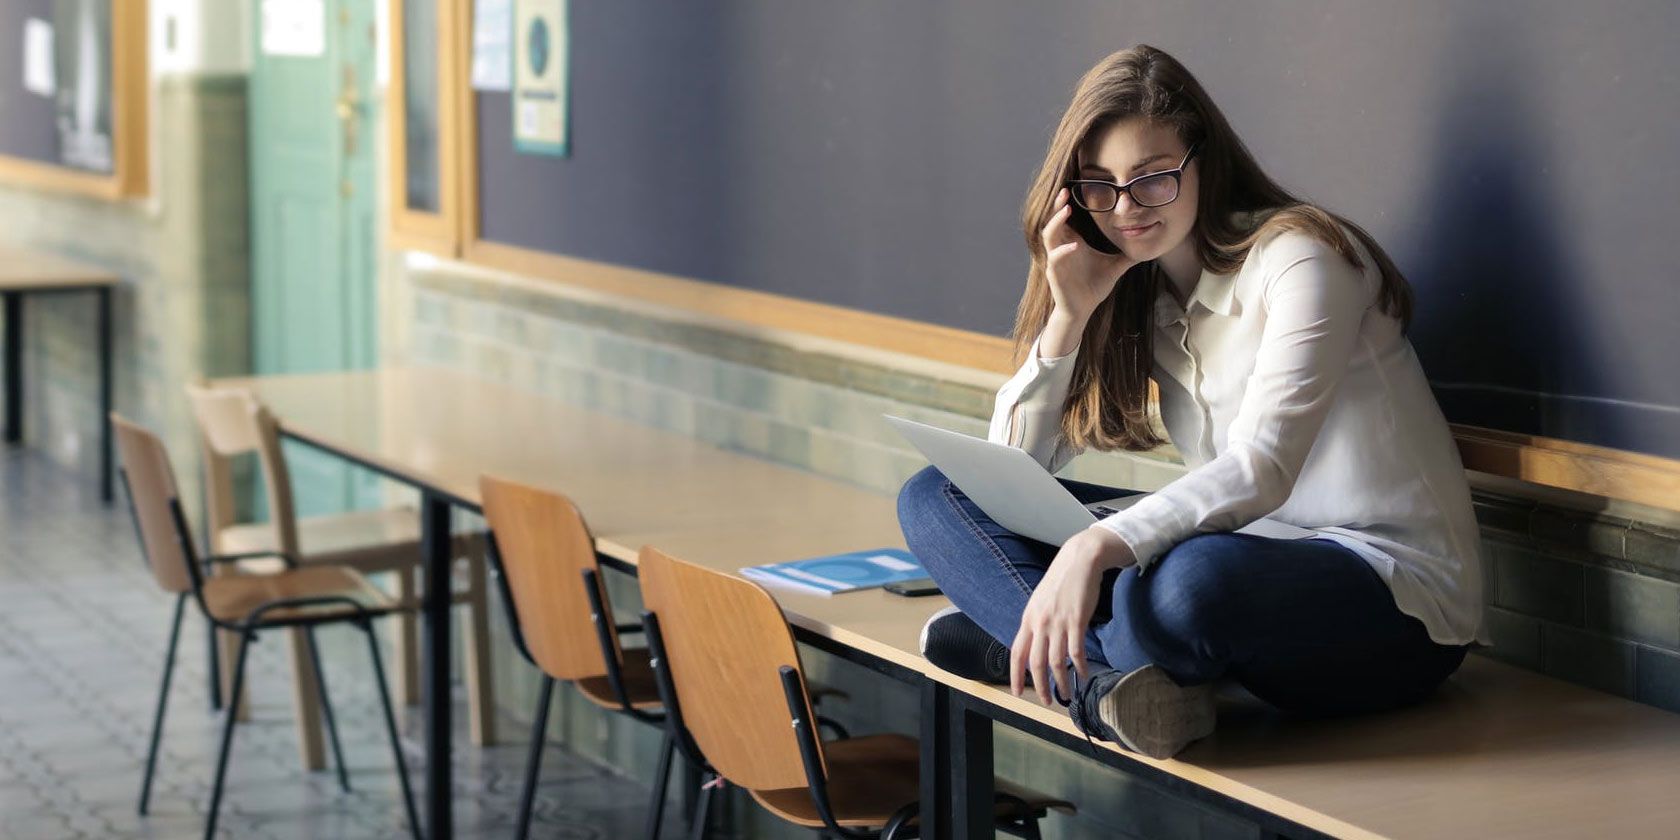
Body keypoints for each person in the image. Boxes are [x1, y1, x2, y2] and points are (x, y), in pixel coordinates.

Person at [896, 44, 1490, 760]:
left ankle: (1027, 650)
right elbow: (1009, 474)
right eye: (1099, 185)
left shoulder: (1302, 259)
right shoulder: (1141, 292)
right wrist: (1068, 316)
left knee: (1188, 586)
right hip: (1245, 559)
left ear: (1204, 161)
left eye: (1152, 179)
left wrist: (1091, 549)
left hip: (1394, 604)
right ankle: (1103, 683)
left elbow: (1264, 468)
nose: (1125, 209)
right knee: (937, 495)